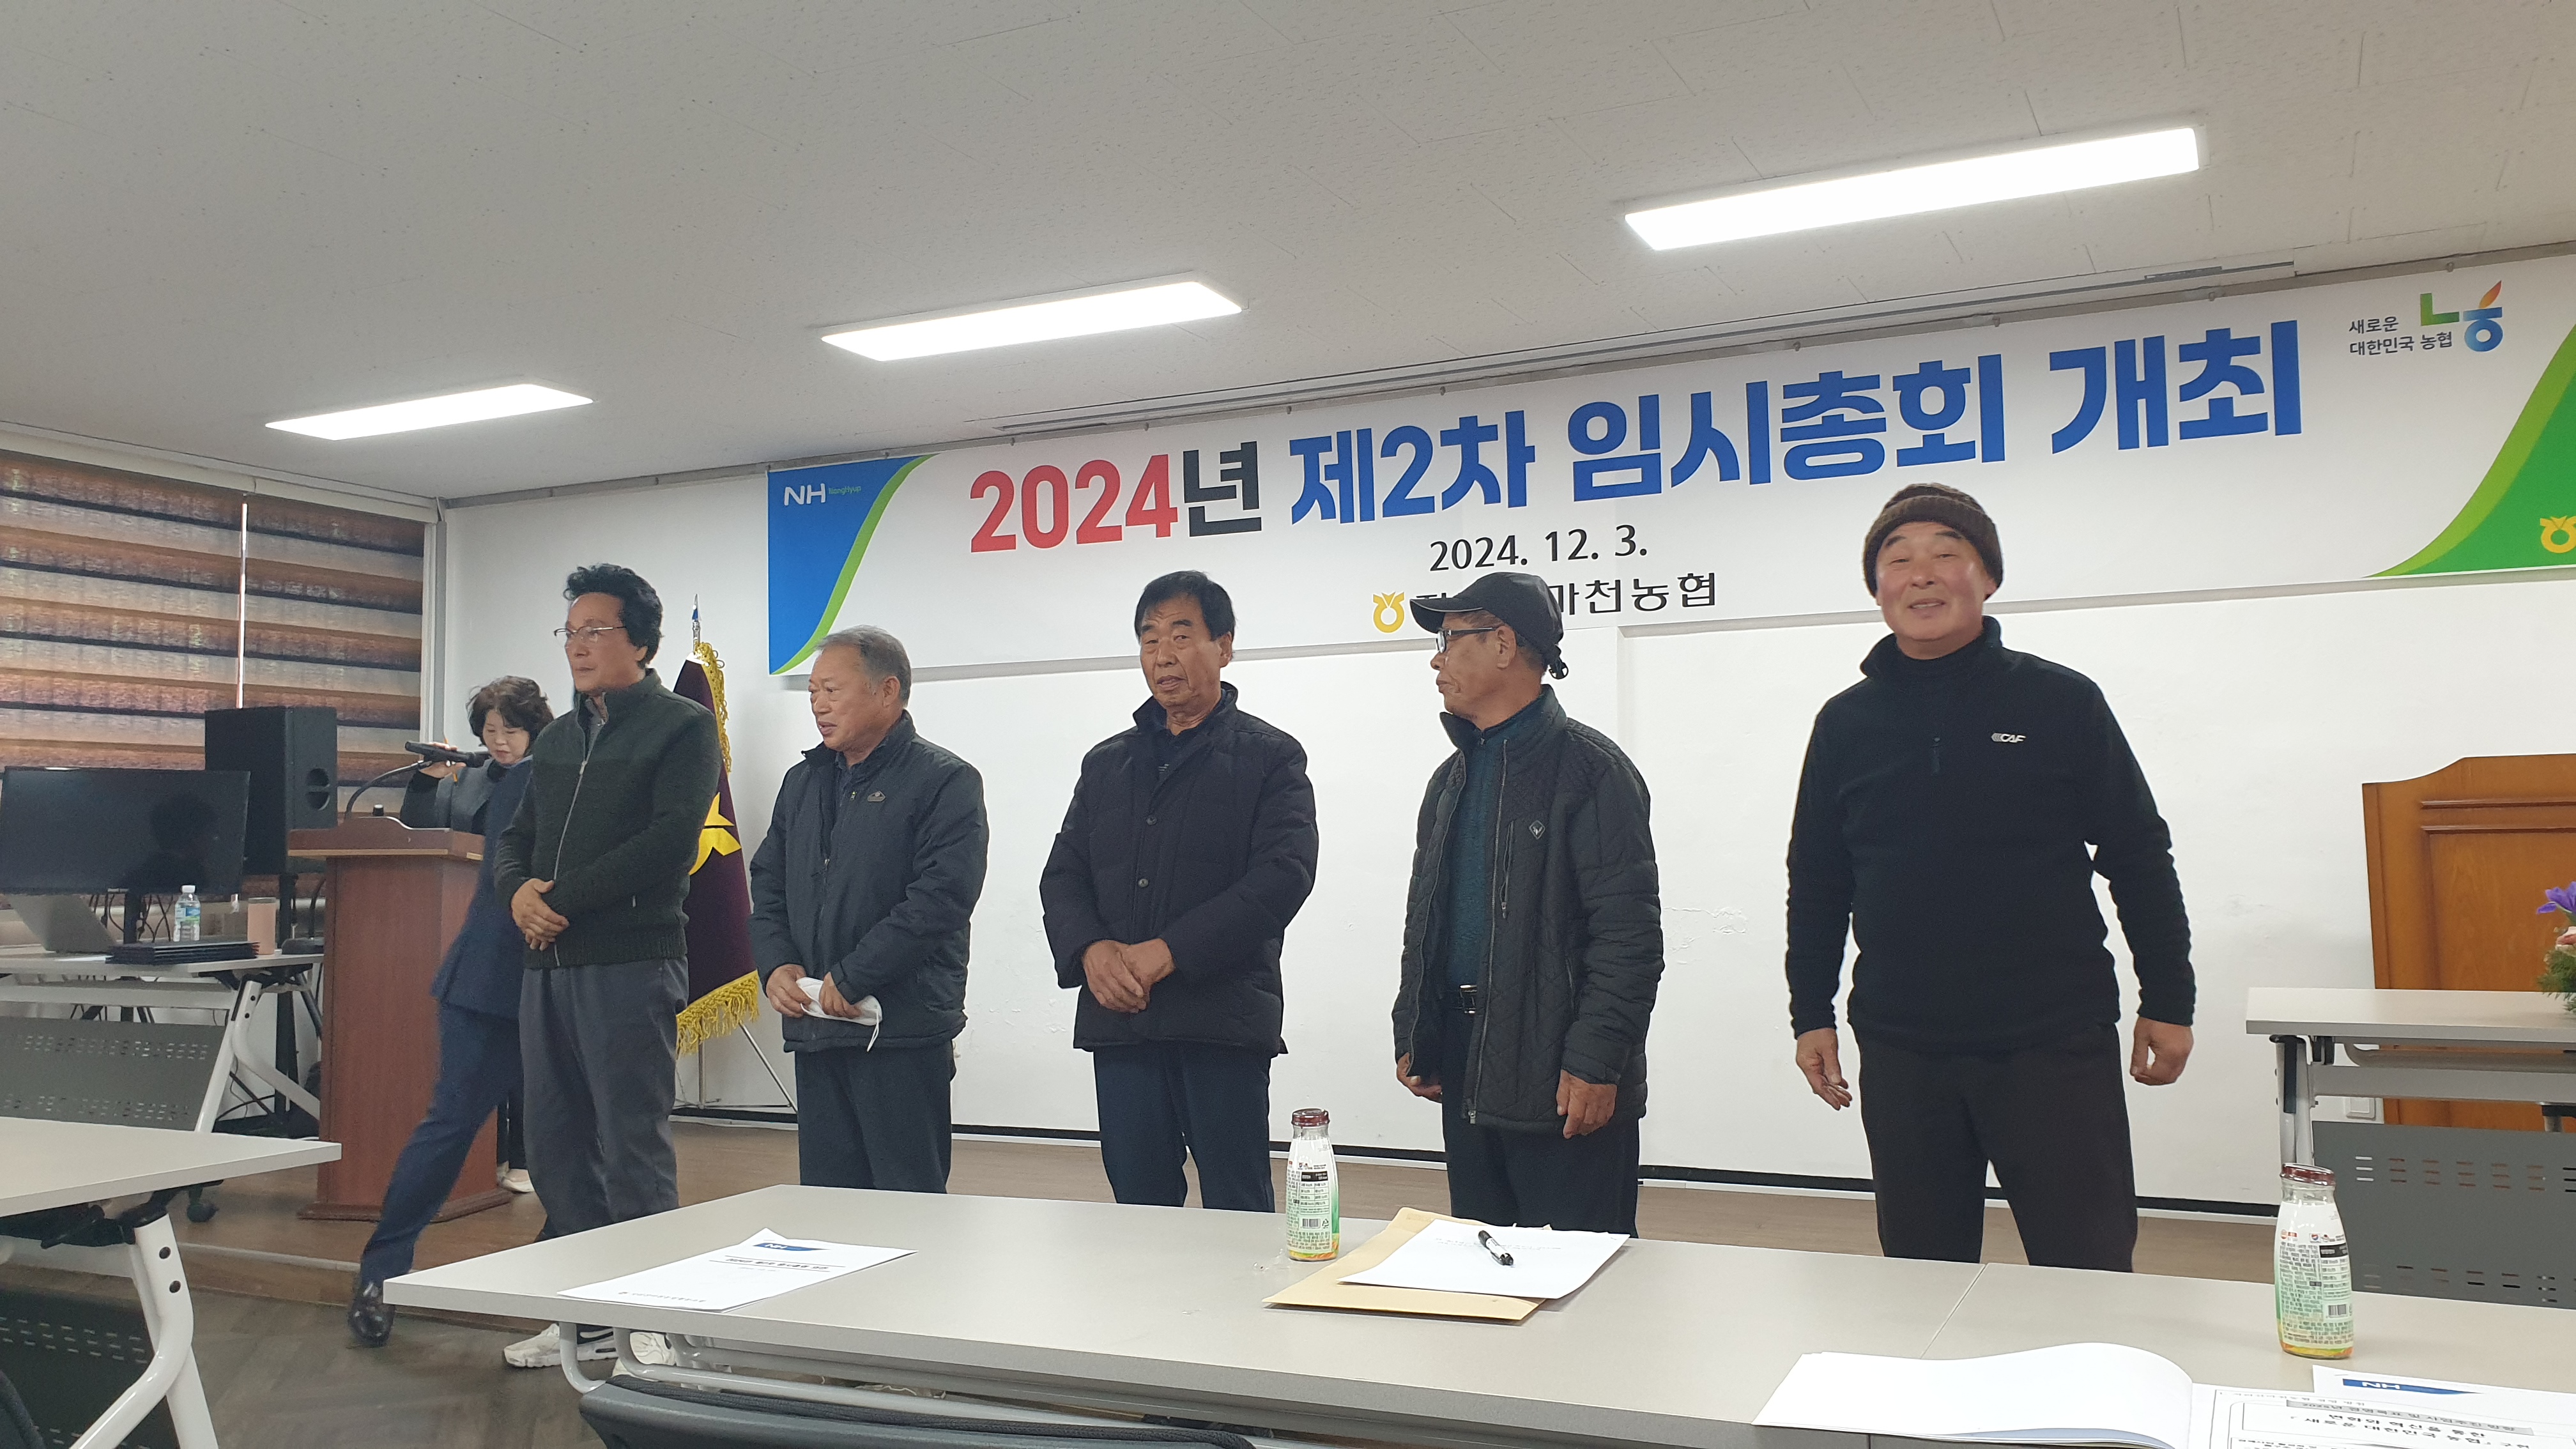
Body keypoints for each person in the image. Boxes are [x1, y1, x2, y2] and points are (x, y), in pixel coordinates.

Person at [1784, 482, 2195, 1272]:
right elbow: (1819, 879)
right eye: (1897, 560)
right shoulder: (1846, 723)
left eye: (1947, 554)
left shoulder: (2061, 701)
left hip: (2053, 1038)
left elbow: (2138, 853)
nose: (1921, 574)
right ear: (1877, 589)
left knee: (2087, 1269)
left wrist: (2169, 999)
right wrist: (1811, 1013)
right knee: (1924, 1277)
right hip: (1904, 1045)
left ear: (1989, 578)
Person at [491, 564, 721, 1367]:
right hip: (547, 964)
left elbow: (669, 844)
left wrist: (559, 900)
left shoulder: (682, 726)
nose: (578, 646)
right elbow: (515, 838)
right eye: (571, 632)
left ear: (643, 642)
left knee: (631, 1147)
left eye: (596, 631)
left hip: (630, 961)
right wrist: (517, 892)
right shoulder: (557, 738)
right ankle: (586, 1316)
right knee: (556, 1148)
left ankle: (655, 1317)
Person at [1389, 572, 1664, 1235]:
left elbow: (1628, 939)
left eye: (1451, 639)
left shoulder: (1593, 771)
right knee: (1485, 1266)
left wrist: (1595, 1063)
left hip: (1562, 1077)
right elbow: (1426, 920)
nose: (1436, 660)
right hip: (1467, 1063)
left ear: (1504, 644)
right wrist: (1417, 1029)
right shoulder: (1451, 779)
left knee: (1584, 1278)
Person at [1039, 571, 1318, 1212]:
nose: (1163, 655)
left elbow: (1283, 877)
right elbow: (1063, 874)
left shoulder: (1271, 757)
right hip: (1121, 1022)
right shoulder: (1106, 763)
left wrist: (1167, 952)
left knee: (1236, 1207)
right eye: (1149, 639)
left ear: (1225, 646)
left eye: (1181, 635)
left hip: (1220, 1021)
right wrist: (1091, 951)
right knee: (1138, 1206)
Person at [347, 676, 551, 1347]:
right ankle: (380, 1274)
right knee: (450, 1126)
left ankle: (561, 1281)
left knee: (570, 1142)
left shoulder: (561, 772)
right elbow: (432, 833)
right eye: (489, 731)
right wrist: (427, 780)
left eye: (509, 730)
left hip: (558, 981)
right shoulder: (491, 780)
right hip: (486, 978)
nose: (499, 741)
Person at [752, 626, 988, 1192]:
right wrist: (776, 964)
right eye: (813, 692)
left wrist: (856, 974)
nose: (818, 705)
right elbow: (768, 882)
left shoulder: (945, 780)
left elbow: (941, 899)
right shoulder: (802, 783)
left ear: (888, 691)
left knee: (908, 1204)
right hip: (817, 1025)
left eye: (832, 690)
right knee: (830, 1204)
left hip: (900, 1029)